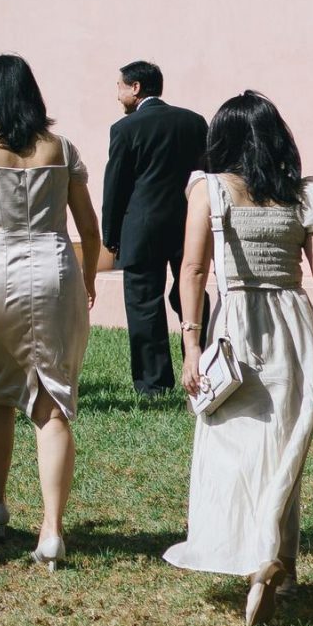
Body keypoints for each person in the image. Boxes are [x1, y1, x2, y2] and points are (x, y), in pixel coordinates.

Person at [165, 89, 313, 626]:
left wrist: (190, 343)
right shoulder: (304, 198)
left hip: (236, 330)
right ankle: (282, 564)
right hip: (295, 331)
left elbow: (191, 270)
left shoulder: (208, 191)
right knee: (286, 448)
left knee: (235, 450)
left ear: (222, 139)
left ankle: (259, 559)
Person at [0, 54, 101, 567]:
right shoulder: (61, 149)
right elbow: (89, 227)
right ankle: (52, 528)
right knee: (53, 402)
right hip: (55, 269)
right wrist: (85, 278)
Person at [102, 60, 208, 399]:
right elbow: (205, 174)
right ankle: (204, 362)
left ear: (135, 88)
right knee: (191, 294)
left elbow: (115, 186)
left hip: (141, 228)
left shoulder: (125, 129)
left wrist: (111, 234)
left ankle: (154, 384)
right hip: (187, 224)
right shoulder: (193, 122)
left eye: (120, 86)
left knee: (144, 302)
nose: (117, 94)